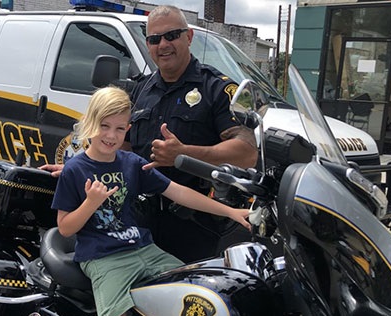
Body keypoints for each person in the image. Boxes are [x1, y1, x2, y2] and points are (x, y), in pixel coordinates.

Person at [41, 5, 258, 263]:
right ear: (148, 44)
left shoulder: (216, 88)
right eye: (155, 39)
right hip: (136, 220)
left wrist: (184, 153)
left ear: (188, 37)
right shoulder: (141, 90)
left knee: (184, 294)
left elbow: (248, 153)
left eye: (171, 35)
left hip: (192, 223)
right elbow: (121, 147)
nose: (163, 44)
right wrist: (85, 166)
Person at [52, 86, 250, 316]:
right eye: (104, 126)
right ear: (90, 121)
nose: (111, 136)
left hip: (144, 250)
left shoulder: (132, 163)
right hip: (103, 257)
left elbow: (177, 191)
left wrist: (230, 211)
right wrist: (90, 203)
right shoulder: (74, 170)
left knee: (198, 292)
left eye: (119, 128)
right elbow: (65, 228)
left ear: (128, 129)